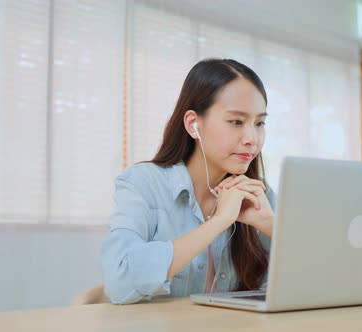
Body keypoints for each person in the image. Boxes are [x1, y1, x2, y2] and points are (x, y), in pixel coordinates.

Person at [101, 58, 277, 304]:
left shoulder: (259, 194)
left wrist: (272, 225)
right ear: (194, 124)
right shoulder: (143, 183)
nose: (252, 138)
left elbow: (300, 287)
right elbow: (119, 282)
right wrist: (218, 222)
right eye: (236, 121)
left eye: (259, 123)